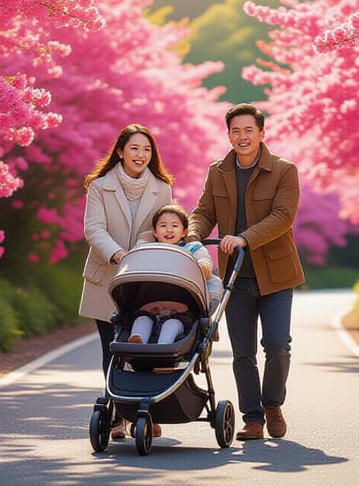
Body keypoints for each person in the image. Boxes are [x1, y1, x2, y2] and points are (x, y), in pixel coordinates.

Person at [186, 103, 304, 441]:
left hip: (276, 275)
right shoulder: (217, 171)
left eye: (248, 130)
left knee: (278, 345)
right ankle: (252, 418)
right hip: (234, 278)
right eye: (235, 131)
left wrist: (243, 238)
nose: (242, 137)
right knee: (242, 353)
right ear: (228, 135)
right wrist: (193, 236)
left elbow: (283, 216)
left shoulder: (284, 170)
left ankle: (272, 405)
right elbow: (203, 211)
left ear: (261, 133)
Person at [80, 123, 173, 440]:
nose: (141, 155)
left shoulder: (162, 188)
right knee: (112, 349)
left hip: (145, 278)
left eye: (147, 149)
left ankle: (144, 412)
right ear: (120, 151)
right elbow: (94, 229)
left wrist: (141, 251)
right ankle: (116, 415)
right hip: (106, 276)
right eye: (134, 148)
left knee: (145, 348)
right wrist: (119, 254)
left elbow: (163, 227)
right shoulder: (99, 186)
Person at [128, 204, 224, 345]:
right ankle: (137, 340)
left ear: (184, 232)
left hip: (180, 308)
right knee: (142, 320)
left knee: (172, 324)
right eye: (163, 226)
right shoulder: (148, 249)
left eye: (174, 226)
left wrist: (203, 267)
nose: (169, 230)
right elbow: (136, 260)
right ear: (154, 232)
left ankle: (163, 346)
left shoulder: (192, 248)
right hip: (151, 305)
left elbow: (203, 259)